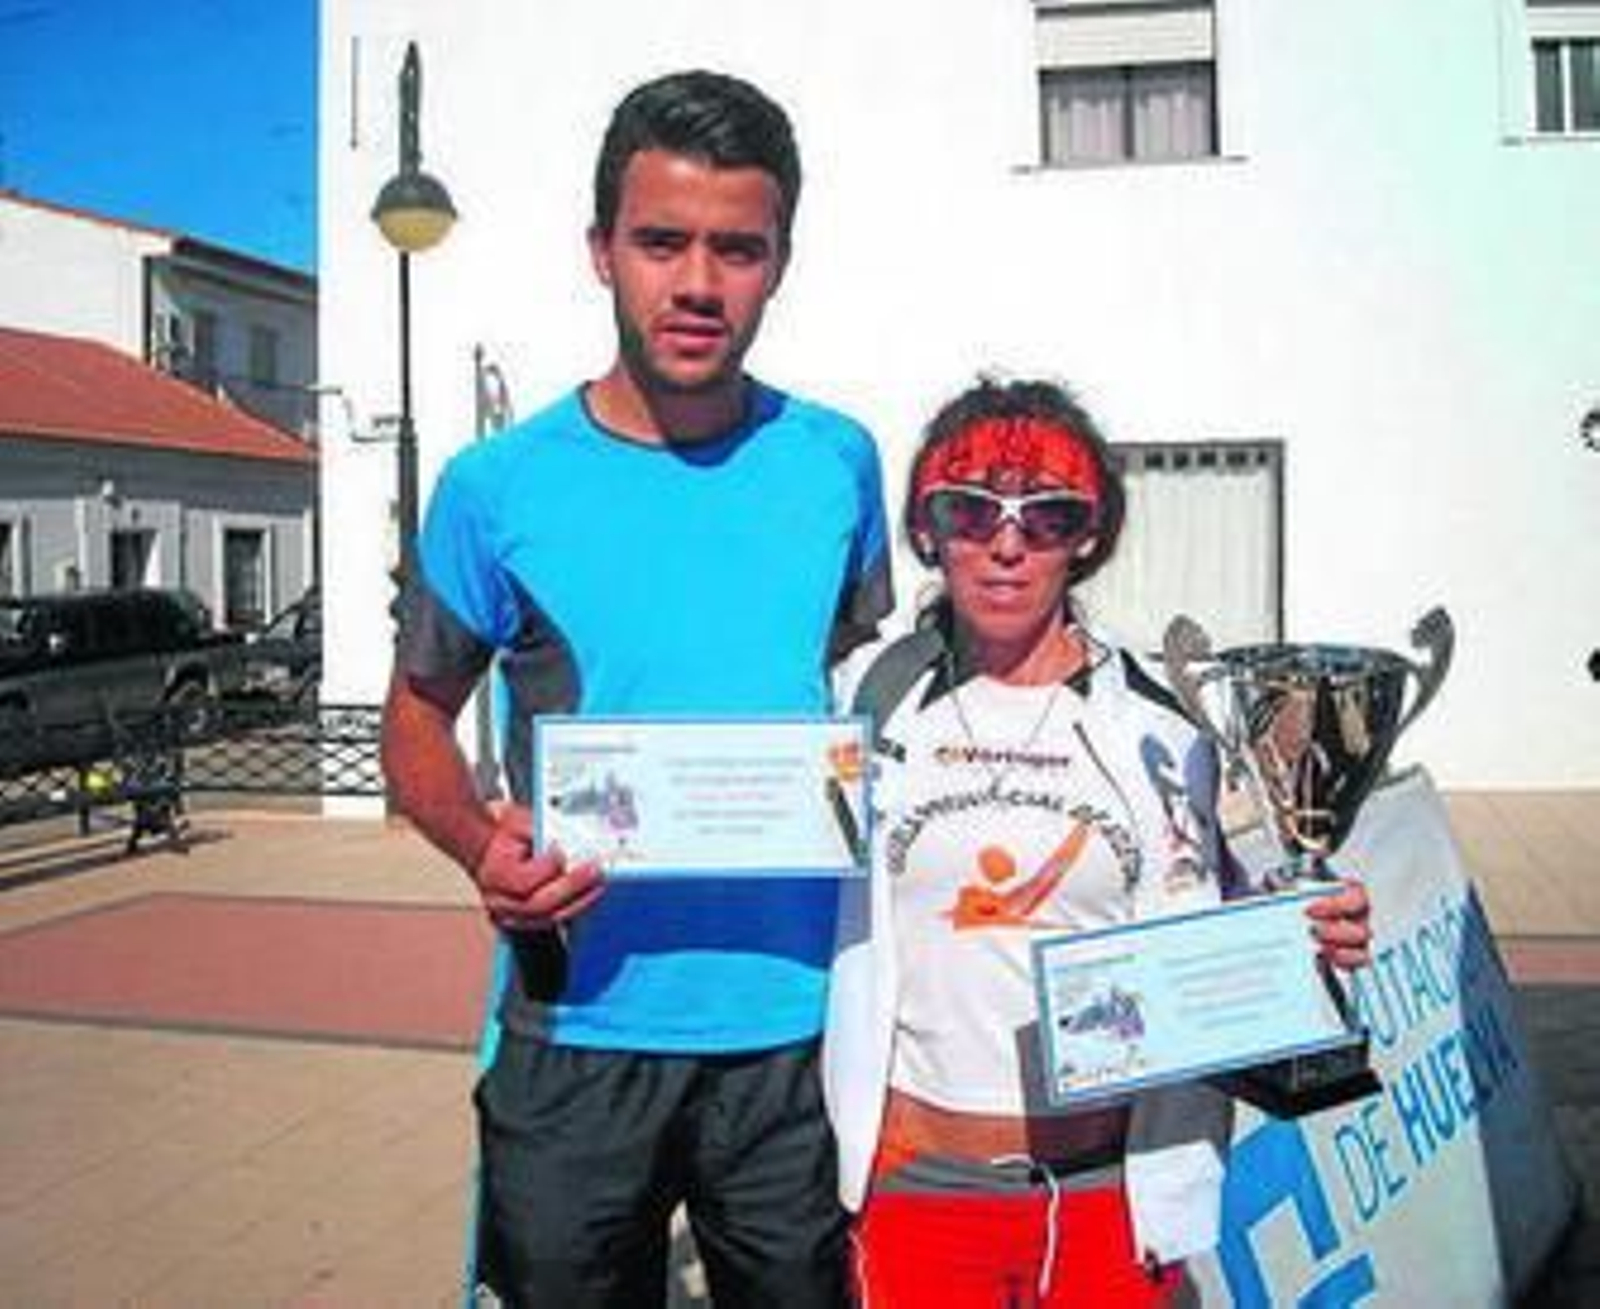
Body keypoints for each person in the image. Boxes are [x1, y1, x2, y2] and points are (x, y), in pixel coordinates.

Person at [381, 70, 892, 1308]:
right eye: (663, 241)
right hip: (576, 1036)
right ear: (601, 249)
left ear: (779, 260)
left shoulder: (837, 464)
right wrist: (471, 839)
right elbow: (415, 723)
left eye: (738, 248)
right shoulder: (494, 488)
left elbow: (817, 674)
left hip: (794, 1042)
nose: (700, 284)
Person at [823, 377, 1372, 1306]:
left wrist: (1307, 933)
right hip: (915, 1191)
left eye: (1046, 516)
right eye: (969, 511)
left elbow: (1231, 926)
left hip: (1111, 1198)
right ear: (928, 527)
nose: (1005, 545)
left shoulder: (1172, 721)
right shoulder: (858, 692)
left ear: (1089, 535)